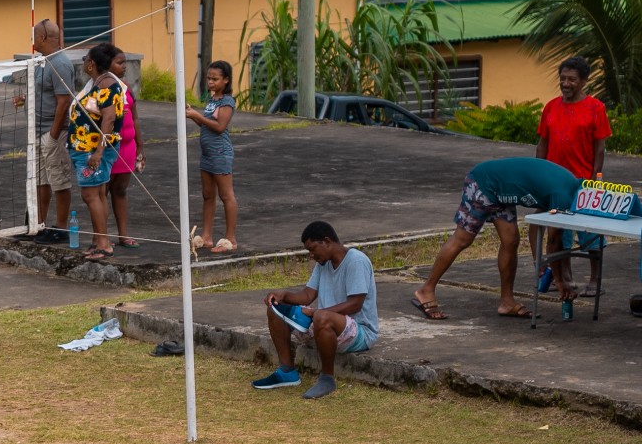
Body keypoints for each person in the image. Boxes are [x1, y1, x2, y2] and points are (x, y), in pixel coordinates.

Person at [411, 155, 584, 321]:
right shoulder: (563, 196)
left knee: (511, 240)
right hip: (484, 182)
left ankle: (507, 302)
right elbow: (553, 241)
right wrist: (559, 280)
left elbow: (536, 225)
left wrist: (538, 261)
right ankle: (426, 290)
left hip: (502, 190)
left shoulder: (568, 188)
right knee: (463, 239)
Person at [253, 221, 379, 400]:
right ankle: (287, 371)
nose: (311, 255)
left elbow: (355, 304)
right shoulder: (323, 264)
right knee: (275, 309)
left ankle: (327, 378)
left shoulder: (356, 261)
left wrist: (315, 313)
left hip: (360, 332)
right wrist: (283, 295)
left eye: (313, 249)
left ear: (326, 241)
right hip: (326, 324)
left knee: (321, 315)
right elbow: (307, 295)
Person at [535, 56, 611, 300]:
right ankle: (563, 279)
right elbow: (542, 143)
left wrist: (596, 179)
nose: (566, 84)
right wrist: (539, 173)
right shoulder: (550, 107)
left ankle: (594, 280)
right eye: (563, 79)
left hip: (583, 181)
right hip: (555, 184)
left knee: (590, 233)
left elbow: (600, 149)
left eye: (572, 79)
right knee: (558, 235)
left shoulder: (595, 108)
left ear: (584, 81)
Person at [14, 19, 78, 243]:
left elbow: (64, 101)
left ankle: (61, 229)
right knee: (40, 180)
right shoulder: (42, 61)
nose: (32, 40)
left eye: (34, 36)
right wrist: (25, 98)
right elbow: (45, 92)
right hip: (37, 131)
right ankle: (37, 224)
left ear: (42, 38)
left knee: (59, 180)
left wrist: (53, 135)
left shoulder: (59, 63)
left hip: (53, 133)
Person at [66, 42, 125, 263]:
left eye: (84, 60)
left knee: (91, 195)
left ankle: (103, 243)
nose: (83, 64)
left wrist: (98, 152)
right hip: (89, 148)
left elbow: (109, 118)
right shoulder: (101, 83)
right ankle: (99, 239)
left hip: (92, 150)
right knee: (98, 194)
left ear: (91, 64)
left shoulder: (106, 86)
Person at [188, 60, 239, 253]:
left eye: (215, 79)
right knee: (208, 195)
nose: (210, 82)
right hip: (207, 154)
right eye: (208, 78)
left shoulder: (227, 101)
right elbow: (206, 124)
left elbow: (219, 127)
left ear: (226, 80)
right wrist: (193, 115)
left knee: (226, 195)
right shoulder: (212, 100)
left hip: (220, 153)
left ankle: (231, 239)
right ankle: (206, 237)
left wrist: (196, 115)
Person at [105, 45, 141, 247]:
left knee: (121, 190)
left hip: (128, 148)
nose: (124, 66)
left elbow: (135, 119)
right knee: (103, 192)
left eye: (124, 62)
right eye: (119, 63)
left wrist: (140, 146)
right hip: (109, 148)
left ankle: (123, 235)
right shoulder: (100, 89)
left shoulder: (127, 88)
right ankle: (101, 237)